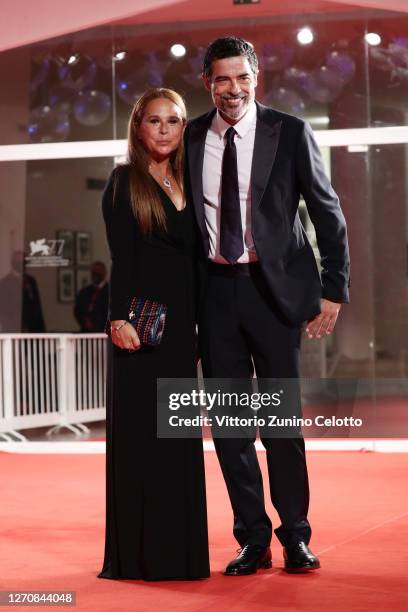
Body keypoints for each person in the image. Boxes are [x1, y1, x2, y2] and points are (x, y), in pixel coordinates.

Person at [184, 37, 350, 575]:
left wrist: (333, 289)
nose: (233, 90)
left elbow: (328, 213)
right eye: (222, 80)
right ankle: (252, 538)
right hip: (213, 293)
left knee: (280, 424)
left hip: (272, 294)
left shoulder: (291, 131)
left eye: (242, 78)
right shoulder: (190, 137)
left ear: (258, 79)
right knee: (230, 427)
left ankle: (295, 536)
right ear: (207, 82)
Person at [97, 88, 210, 581]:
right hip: (140, 334)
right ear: (138, 127)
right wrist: (116, 318)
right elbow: (122, 259)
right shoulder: (124, 181)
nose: (165, 129)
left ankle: (179, 554)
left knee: (177, 440)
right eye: (155, 121)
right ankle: (141, 557)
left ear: (184, 128)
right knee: (143, 440)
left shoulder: (193, 179)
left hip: (182, 335)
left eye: (175, 121)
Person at [74, 261, 109, 332]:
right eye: (94, 272)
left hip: (104, 332)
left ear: (104, 273)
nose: (96, 275)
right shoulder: (84, 292)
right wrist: (84, 321)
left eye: (98, 272)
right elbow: (77, 310)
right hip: (86, 332)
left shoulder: (110, 292)